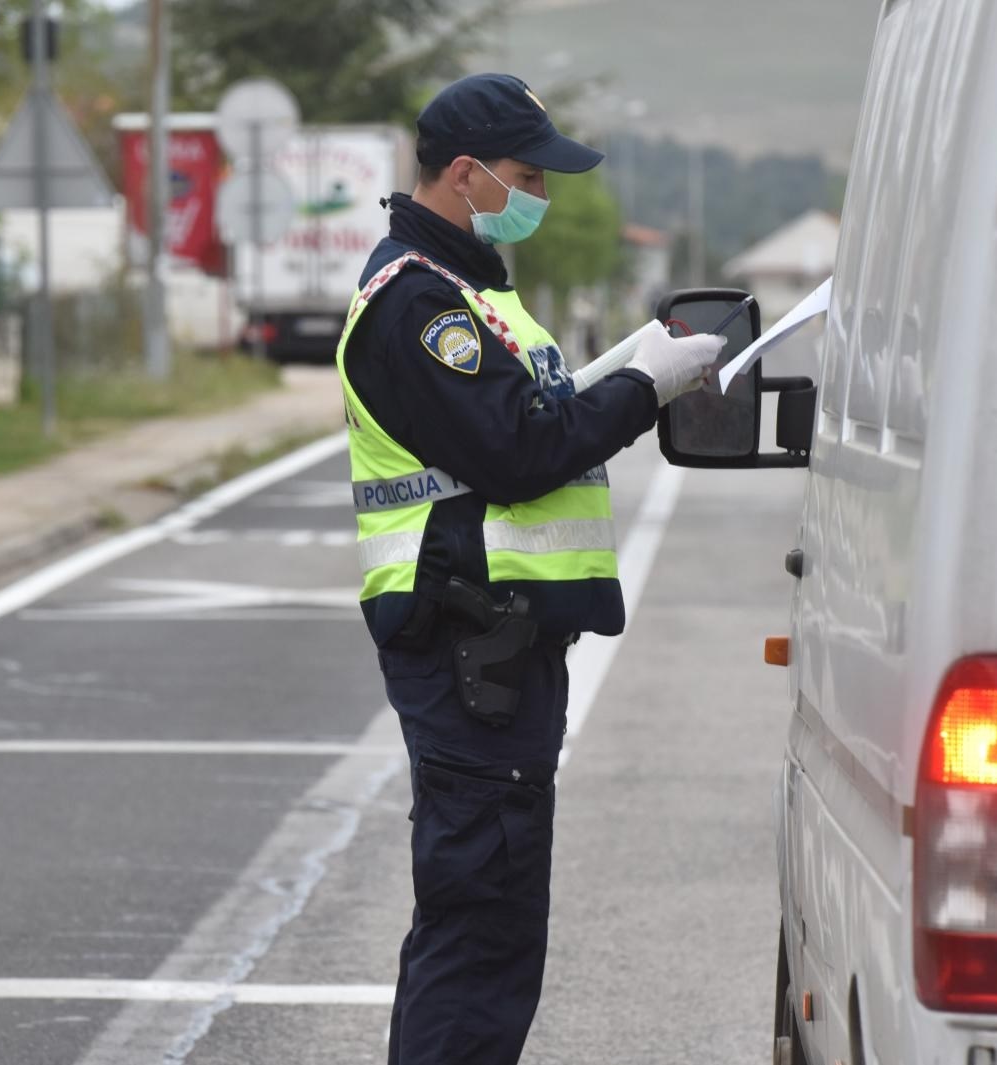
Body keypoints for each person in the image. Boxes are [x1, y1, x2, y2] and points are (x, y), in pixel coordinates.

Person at [335, 73, 724, 1064]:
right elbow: (515, 453)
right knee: (477, 929)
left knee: (492, 925)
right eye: (523, 176)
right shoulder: (419, 306)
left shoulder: (470, 293)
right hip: (468, 645)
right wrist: (645, 384)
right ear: (464, 176)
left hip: (498, 648)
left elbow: (527, 427)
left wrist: (624, 375)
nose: (538, 197)